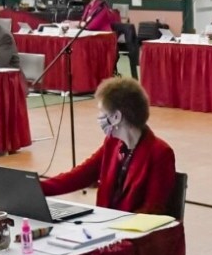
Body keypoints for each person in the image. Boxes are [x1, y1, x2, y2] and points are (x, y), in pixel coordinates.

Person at [40, 77, 175, 214]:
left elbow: (152, 210)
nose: (99, 117)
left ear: (116, 117)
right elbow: (80, 176)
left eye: (102, 111)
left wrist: (115, 226)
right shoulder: (112, 143)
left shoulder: (160, 153)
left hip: (133, 226)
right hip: (107, 222)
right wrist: (36, 188)